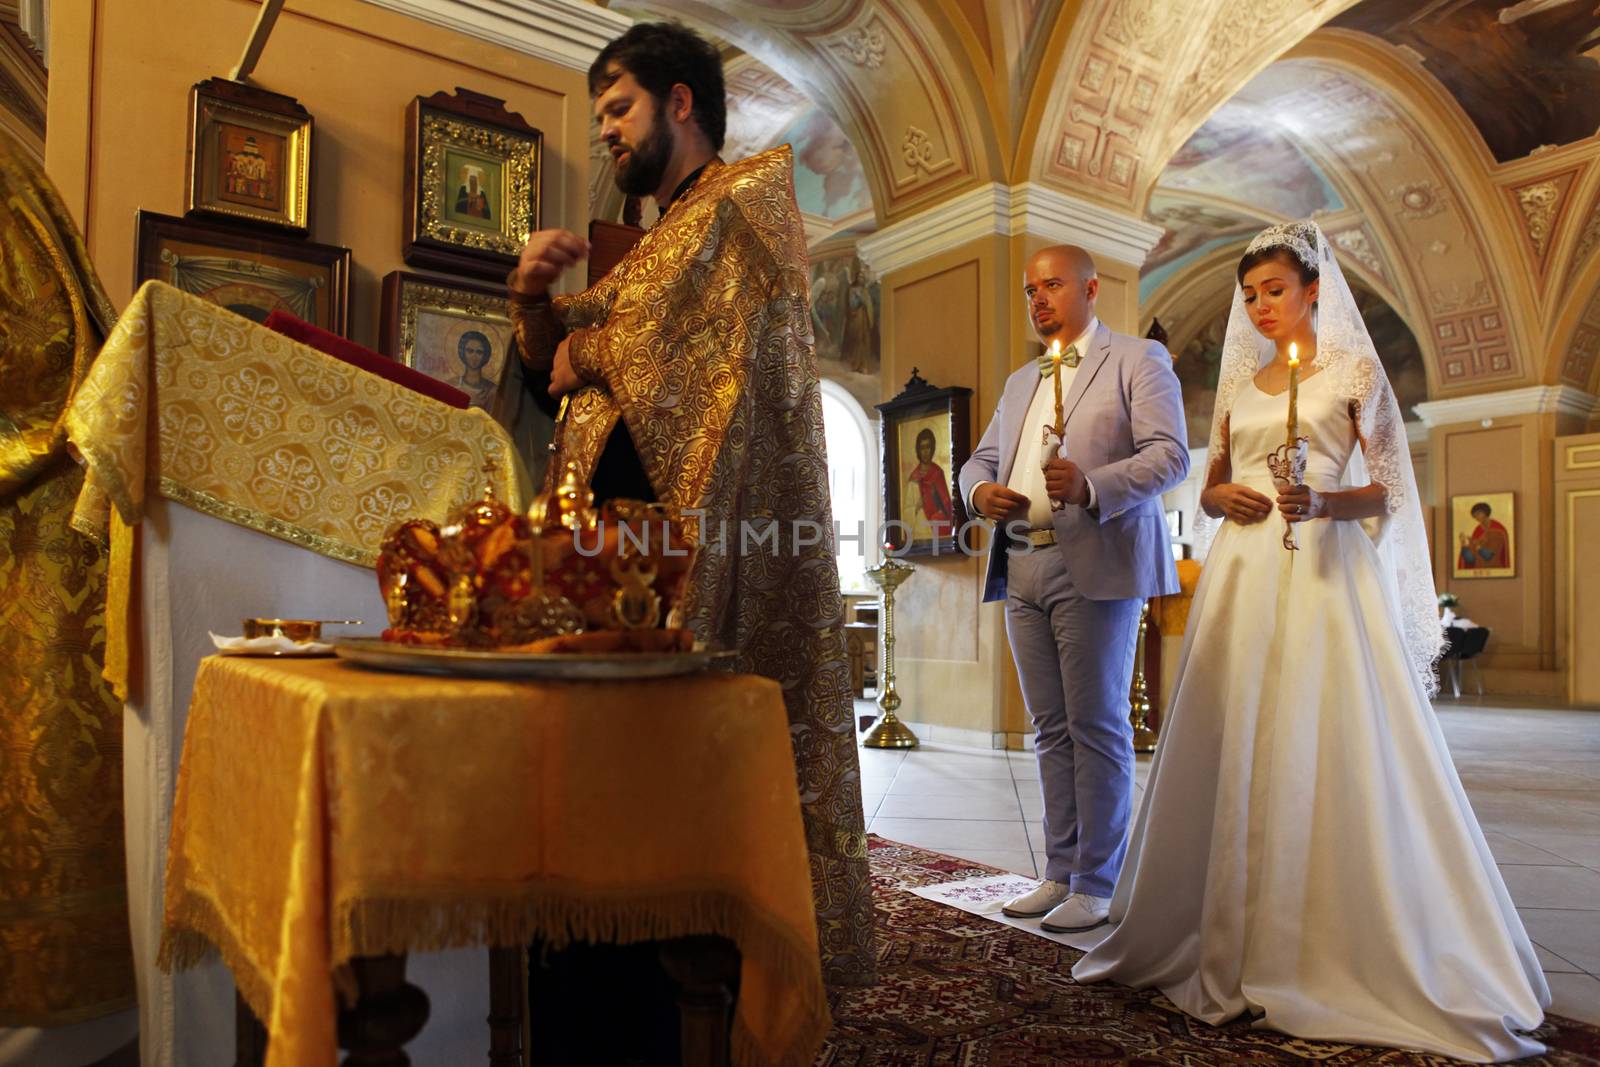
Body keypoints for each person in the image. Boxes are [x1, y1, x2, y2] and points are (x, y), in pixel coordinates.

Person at [1072, 221, 1549, 1062]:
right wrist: (1225, 502)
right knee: (1236, 731)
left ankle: (1328, 936)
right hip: (1246, 576)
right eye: (1250, 295)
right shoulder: (1240, 384)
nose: (1260, 307)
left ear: (1315, 289)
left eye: (1275, 291)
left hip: (1328, 573)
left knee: (1324, 736)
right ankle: (1219, 925)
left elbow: (1390, 492)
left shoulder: (1355, 373)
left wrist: (1325, 504)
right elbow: (1212, 481)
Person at [506, 21, 874, 986]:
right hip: (614, 548)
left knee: (669, 799)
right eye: (598, 118)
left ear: (680, 102)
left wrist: (590, 353)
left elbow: (665, 359)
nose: (607, 134)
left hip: (690, 551)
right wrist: (534, 300)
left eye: (619, 108)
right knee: (610, 793)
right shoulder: (657, 243)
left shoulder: (741, 205)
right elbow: (562, 359)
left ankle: (677, 990)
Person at [957, 245, 1188, 934]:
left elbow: (1170, 455)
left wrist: (1093, 484)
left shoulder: (1137, 360)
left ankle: (1099, 879)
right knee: (1050, 728)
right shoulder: (1022, 379)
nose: (1038, 299)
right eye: (1031, 289)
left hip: (1097, 557)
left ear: (1090, 288)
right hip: (1022, 562)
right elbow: (981, 458)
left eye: (1052, 285)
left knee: (1096, 724)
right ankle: (1059, 871)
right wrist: (978, 490)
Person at [904, 427, 953, 543]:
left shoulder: (937, 473)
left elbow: (946, 504)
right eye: (922, 448)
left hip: (935, 527)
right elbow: (906, 511)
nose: (925, 452)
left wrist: (937, 515)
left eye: (928, 447)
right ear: (918, 450)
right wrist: (917, 506)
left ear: (933, 448)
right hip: (919, 529)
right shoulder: (913, 478)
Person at [1460, 500, 1510, 569]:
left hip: (1495, 567)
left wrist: (1475, 544)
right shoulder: (1477, 530)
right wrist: (1464, 545)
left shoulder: (1498, 530)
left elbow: (1489, 556)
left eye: (1478, 514)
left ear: (1485, 512)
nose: (1477, 517)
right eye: (1475, 516)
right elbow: (1470, 559)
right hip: (1479, 568)